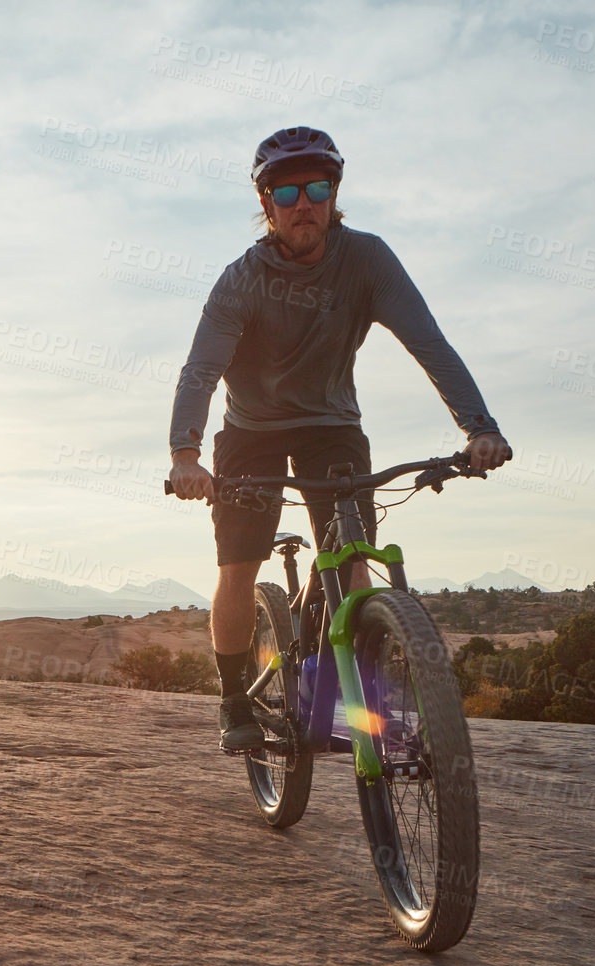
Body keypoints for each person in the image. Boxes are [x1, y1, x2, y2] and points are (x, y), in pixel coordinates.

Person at [166, 126, 510, 752]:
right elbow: (200, 372)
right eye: (287, 191)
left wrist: (479, 428)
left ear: (334, 196)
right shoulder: (241, 280)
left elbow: (428, 343)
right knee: (238, 563)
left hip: (332, 428)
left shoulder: (367, 260)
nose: (304, 202)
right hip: (252, 433)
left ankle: (340, 685)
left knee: (352, 561)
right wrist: (185, 455)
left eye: (318, 188)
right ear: (266, 205)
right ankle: (234, 698)